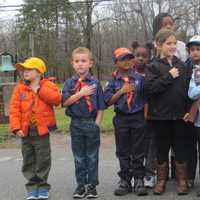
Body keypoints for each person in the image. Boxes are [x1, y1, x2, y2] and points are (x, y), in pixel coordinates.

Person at [144, 28, 191, 195]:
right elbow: (149, 89)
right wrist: (169, 76)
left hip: (179, 115)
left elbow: (187, 90)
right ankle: (161, 180)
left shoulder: (182, 65)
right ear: (158, 45)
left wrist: (187, 110)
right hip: (160, 116)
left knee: (180, 147)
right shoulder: (152, 66)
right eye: (168, 43)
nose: (172, 46)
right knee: (161, 148)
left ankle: (182, 180)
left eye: (174, 43)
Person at [9, 57, 61, 200]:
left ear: (39, 72)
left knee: (43, 160)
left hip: (42, 131)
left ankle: (43, 187)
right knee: (28, 160)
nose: (25, 72)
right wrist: (16, 127)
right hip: (25, 131)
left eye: (29, 69)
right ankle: (32, 188)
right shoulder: (19, 88)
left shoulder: (48, 85)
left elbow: (56, 100)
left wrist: (39, 90)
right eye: (24, 69)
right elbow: (14, 109)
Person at [62, 47, 105, 199]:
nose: (80, 64)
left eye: (84, 61)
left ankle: (92, 187)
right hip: (76, 124)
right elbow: (65, 102)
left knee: (92, 156)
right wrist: (81, 93)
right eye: (77, 61)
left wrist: (97, 123)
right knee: (79, 157)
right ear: (72, 64)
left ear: (90, 63)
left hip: (91, 123)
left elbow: (101, 106)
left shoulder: (96, 83)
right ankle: (80, 186)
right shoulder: (69, 83)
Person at [104, 47, 148, 196]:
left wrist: (145, 117)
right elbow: (107, 102)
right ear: (116, 62)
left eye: (129, 58)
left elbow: (147, 98)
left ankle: (139, 179)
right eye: (123, 59)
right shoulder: (112, 82)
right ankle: (125, 180)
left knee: (139, 150)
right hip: (121, 118)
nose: (127, 62)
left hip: (138, 117)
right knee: (123, 151)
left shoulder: (140, 78)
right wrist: (121, 91)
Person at [131, 41, 156, 188]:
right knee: (136, 146)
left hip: (152, 114)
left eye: (144, 56)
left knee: (151, 144)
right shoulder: (129, 73)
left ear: (149, 57)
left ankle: (150, 174)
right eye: (137, 55)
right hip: (135, 115)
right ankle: (137, 174)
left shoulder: (152, 71)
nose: (140, 58)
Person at [187, 35, 200, 196]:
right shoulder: (195, 72)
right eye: (192, 50)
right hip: (197, 121)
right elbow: (191, 93)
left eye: (198, 49)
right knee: (193, 150)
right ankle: (190, 178)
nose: (195, 53)